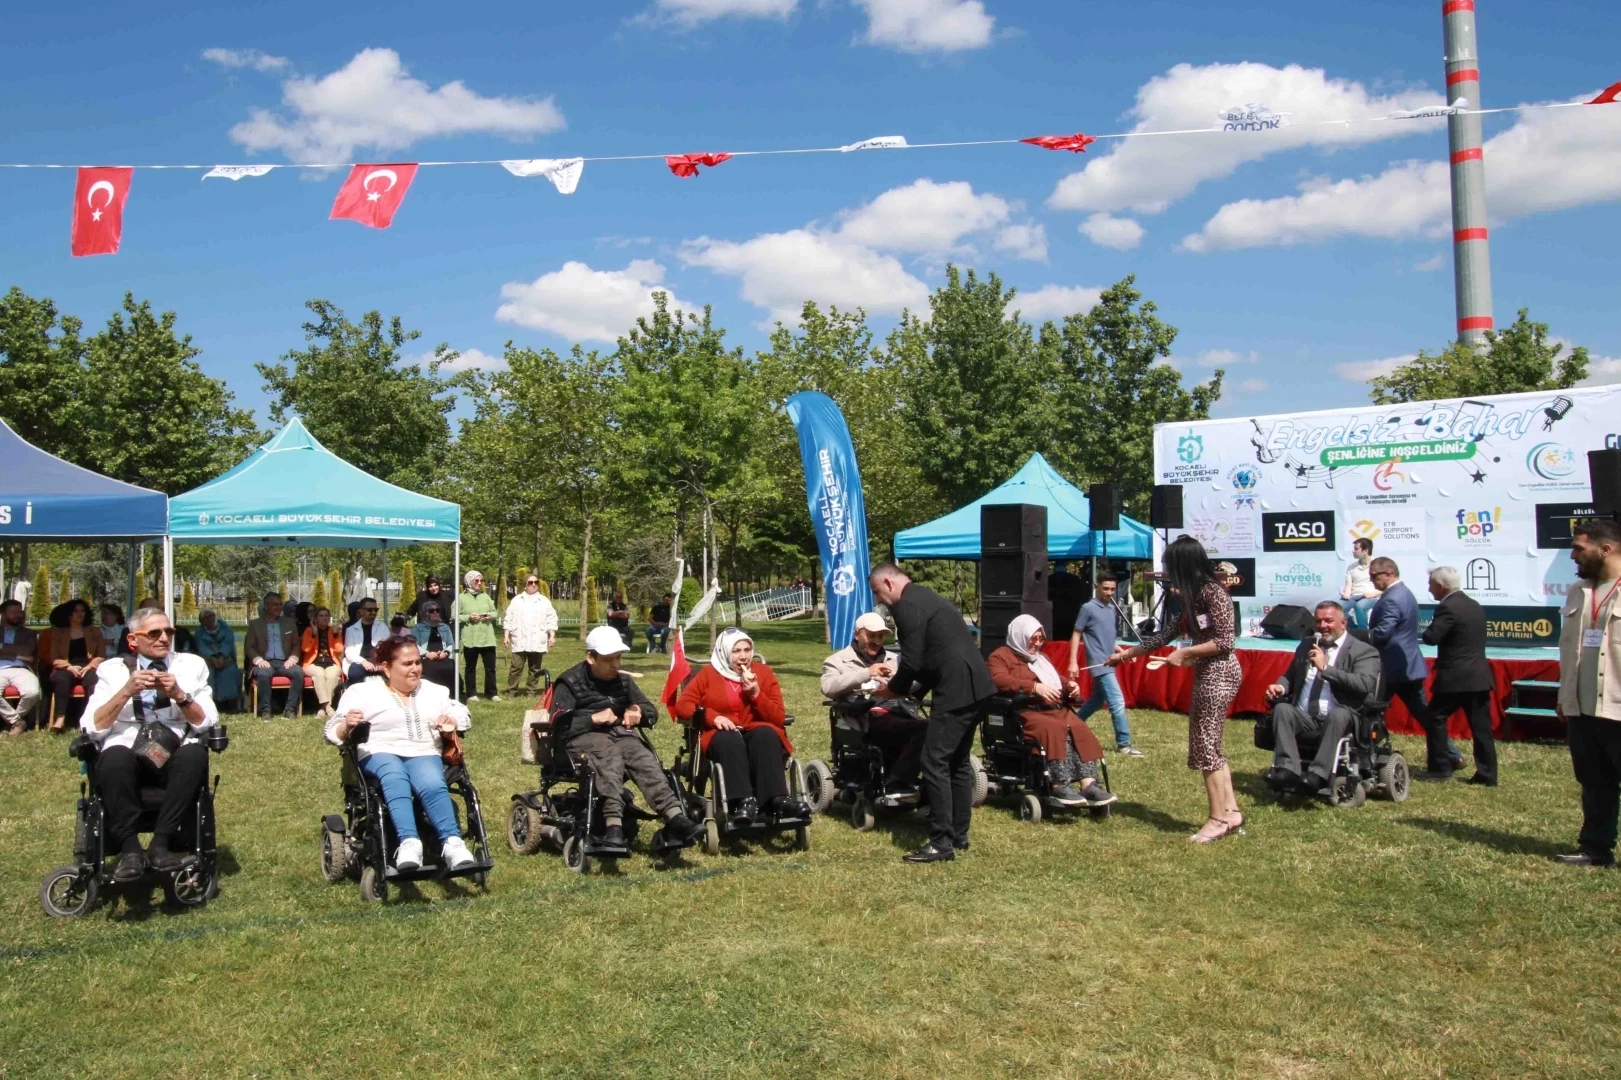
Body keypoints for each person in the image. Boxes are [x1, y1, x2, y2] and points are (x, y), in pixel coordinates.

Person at [1111, 535, 1245, 843]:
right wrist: (1126, 655)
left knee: (1204, 746)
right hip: (1207, 672)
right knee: (1211, 745)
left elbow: (1225, 641)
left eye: (1171, 567)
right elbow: (1165, 634)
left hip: (1220, 674)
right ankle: (1231, 812)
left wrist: (1186, 654)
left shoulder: (1214, 592)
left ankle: (1217, 819)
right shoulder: (1194, 597)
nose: (1168, 575)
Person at [869, 561, 997, 864]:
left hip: (957, 690)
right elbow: (932, 658)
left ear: (888, 583)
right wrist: (911, 692)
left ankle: (941, 843)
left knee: (933, 760)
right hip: (978, 686)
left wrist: (893, 690)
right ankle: (958, 835)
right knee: (957, 762)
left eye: (877, 592)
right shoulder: (926, 597)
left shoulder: (906, 605)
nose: (879, 600)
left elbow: (912, 662)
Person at [83, 606, 218, 882]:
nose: (164, 638)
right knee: (114, 757)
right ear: (133, 640)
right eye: (154, 633)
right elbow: (92, 726)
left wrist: (179, 695)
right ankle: (130, 848)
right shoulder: (112, 670)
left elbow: (207, 722)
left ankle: (160, 843)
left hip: (173, 748)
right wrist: (126, 691)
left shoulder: (191, 666)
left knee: (194, 755)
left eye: (168, 631)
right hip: (127, 749)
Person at [324, 637, 478, 872]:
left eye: (417, 662)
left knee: (432, 781)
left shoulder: (434, 691)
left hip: (423, 750)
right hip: (379, 750)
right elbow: (331, 731)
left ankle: (453, 844)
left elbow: (463, 714)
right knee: (394, 775)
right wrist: (346, 725)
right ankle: (409, 843)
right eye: (407, 664)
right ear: (387, 668)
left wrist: (452, 719)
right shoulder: (362, 692)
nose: (415, 668)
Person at [552, 626, 704, 848]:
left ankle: (675, 817)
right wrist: (592, 719)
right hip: (582, 740)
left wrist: (637, 711)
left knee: (643, 758)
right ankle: (613, 825)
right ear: (591, 658)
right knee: (608, 754)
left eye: (618, 657)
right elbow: (558, 725)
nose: (616, 664)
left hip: (619, 736)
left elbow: (651, 712)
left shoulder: (623, 681)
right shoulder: (569, 682)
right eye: (609, 659)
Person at [676, 627, 807, 822]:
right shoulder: (708, 675)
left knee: (765, 735)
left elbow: (778, 717)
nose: (743, 657)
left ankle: (777, 799)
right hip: (721, 733)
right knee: (729, 740)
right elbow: (683, 706)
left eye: (747, 650)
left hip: (755, 730)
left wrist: (756, 694)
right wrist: (713, 717)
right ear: (724, 652)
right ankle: (741, 802)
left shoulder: (763, 673)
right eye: (736, 651)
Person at [989, 614, 1118, 809]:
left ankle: (1089, 785)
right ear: (1020, 636)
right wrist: (1034, 687)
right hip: (1026, 711)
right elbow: (999, 680)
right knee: (1054, 728)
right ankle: (1058, 784)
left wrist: (1069, 686)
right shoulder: (1000, 656)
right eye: (1033, 638)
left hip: (1054, 708)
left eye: (1041, 638)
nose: (1038, 643)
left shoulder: (1041, 658)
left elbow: (1055, 679)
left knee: (1079, 727)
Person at [1555, 518, 1621, 866]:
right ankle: (1596, 849)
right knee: (1594, 783)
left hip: (1617, 708)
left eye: (1578, 548)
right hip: (1582, 709)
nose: (1572, 556)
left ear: (1605, 549)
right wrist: (1564, 696)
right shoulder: (1577, 591)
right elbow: (1570, 649)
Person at [1262, 601, 1381, 793]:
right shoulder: (1307, 644)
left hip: (1343, 716)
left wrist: (1326, 668)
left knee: (1338, 714)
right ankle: (1287, 770)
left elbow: (1364, 684)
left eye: (1328, 621)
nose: (1322, 626)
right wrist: (1280, 687)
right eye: (1318, 621)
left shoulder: (1363, 650)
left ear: (1343, 623)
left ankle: (1318, 774)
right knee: (1282, 709)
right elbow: (1290, 676)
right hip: (1306, 716)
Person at [820, 611, 927, 806]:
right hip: (866, 718)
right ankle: (898, 783)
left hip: (901, 712)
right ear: (857, 634)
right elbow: (828, 687)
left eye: (881, 636)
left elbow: (917, 684)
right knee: (923, 729)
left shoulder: (896, 660)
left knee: (934, 728)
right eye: (871, 635)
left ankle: (918, 784)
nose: (877, 641)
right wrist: (866, 673)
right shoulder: (838, 660)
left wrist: (897, 680)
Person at [1366, 558, 1462, 772]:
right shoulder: (1403, 593)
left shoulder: (1393, 598)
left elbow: (1382, 633)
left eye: (1374, 576)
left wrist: (1354, 636)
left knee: (1370, 709)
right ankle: (1452, 755)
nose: (1371, 580)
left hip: (1393, 667)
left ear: (1389, 573)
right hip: (1406, 666)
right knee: (1424, 714)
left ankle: (1368, 753)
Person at [1416, 566, 1497, 785]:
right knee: (1481, 729)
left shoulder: (1447, 607)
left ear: (1441, 586)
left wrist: (1426, 629)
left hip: (1456, 677)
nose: (1429, 589)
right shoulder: (1474, 605)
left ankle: (1440, 768)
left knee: (1435, 717)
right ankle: (1488, 775)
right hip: (1479, 676)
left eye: (1431, 585)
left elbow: (1432, 637)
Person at [1067, 575, 1141, 756]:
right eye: (1105, 588)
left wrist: (1123, 652)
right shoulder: (1088, 608)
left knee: (1096, 701)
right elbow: (1076, 633)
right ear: (1096, 586)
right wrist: (1073, 662)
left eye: (1112, 589)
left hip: (1109, 661)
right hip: (1099, 663)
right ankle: (1124, 743)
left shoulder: (1111, 609)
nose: (1109, 592)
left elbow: (1106, 638)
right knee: (1117, 701)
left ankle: (1069, 727)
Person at [39, 599, 106, 732]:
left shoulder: (94, 631)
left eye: (82, 611)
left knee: (94, 681)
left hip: (88, 667)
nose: (79, 614)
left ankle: (85, 719)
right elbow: (54, 657)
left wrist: (90, 666)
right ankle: (60, 719)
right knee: (62, 680)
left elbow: (101, 655)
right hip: (65, 667)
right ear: (69, 614)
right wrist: (69, 667)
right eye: (76, 611)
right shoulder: (59, 633)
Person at [245, 592, 304, 721]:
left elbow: (296, 645)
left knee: (298, 672)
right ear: (266, 607)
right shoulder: (255, 624)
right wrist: (259, 660)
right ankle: (266, 710)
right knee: (263, 673)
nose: (279, 607)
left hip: (284, 661)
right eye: (275, 605)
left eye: (280, 604)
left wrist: (292, 658)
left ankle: (290, 709)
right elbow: (249, 647)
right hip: (265, 661)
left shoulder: (289, 623)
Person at [504, 574, 557, 696]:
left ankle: (531, 691)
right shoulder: (517, 601)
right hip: (520, 639)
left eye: (536, 582)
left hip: (537, 638)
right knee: (516, 667)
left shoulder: (544, 601)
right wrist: (506, 635)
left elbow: (551, 619)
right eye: (530, 582)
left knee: (535, 668)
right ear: (525, 585)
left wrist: (552, 636)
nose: (534, 585)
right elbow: (509, 618)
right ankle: (512, 690)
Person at [455, 571, 500, 702]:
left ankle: (492, 693)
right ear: (469, 582)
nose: (479, 583)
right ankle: (471, 693)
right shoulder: (461, 598)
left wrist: (489, 615)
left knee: (490, 668)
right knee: (470, 667)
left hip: (487, 638)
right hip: (470, 638)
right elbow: (454, 616)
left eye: (481, 581)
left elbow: (495, 613)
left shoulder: (485, 596)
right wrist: (468, 617)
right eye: (476, 581)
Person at [0, 600, 41, 735]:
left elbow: (27, 651)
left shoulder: (29, 633)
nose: (18, 615)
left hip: (21, 668)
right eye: (13, 612)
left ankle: (12, 721)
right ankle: (17, 721)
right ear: (3, 614)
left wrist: (2, 648)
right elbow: (22, 651)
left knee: (32, 693)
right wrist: (17, 653)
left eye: (19, 611)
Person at [299, 606, 346, 719]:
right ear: (315, 618)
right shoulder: (309, 630)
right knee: (319, 674)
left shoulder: (333, 630)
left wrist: (336, 635)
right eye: (321, 616)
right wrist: (314, 634)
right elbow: (305, 649)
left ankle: (323, 708)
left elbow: (339, 649)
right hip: (313, 663)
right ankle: (328, 707)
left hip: (331, 662)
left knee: (332, 675)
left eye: (326, 615)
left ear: (329, 618)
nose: (324, 618)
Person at [194, 608, 242, 713]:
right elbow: (201, 646)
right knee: (208, 673)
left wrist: (222, 656)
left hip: (226, 658)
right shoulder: (199, 632)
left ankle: (230, 703)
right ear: (202, 621)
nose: (209, 619)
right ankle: (212, 702)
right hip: (208, 659)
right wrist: (211, 657)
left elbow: (228, 644)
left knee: (229, 671)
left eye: (211, 616)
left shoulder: (226, 629)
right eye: (205, 618)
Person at [413, 601, 456, 693]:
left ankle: (451, 693)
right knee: (432, 669)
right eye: (431, 611)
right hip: (426, 658)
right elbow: (414, 644)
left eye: (437, 610)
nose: (435, 613)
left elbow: (451, 644)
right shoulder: (418, 628)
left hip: (443, 657)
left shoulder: (445, 627)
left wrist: (445, 653)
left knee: (451, 666)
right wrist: (426, 654)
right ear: (425, 612)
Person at [1341, 537, 1381, 630]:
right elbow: (1348, 585)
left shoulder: (1378, 565)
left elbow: (1385, 587)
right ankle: (1353, 629)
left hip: (1372, 597)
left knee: (1360, 606)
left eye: (1356, 549)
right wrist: (1346, 594)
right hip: (1354, 596)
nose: (1353, 551)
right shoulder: (1351, 567)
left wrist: (1373, 593)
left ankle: (1363, 632)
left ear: (1366, 551)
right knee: (1339, 608)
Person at [344, 597, 384, 684]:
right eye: (370, 610)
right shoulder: (351, 630)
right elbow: (349, 652)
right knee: (355, 673)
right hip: (359, 661)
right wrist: (363, 661)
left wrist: (380, 661)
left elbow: (387, 648)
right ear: (361, 611)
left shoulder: (382, 627)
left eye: (375, 610)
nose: (373, 612)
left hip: (379, 661)